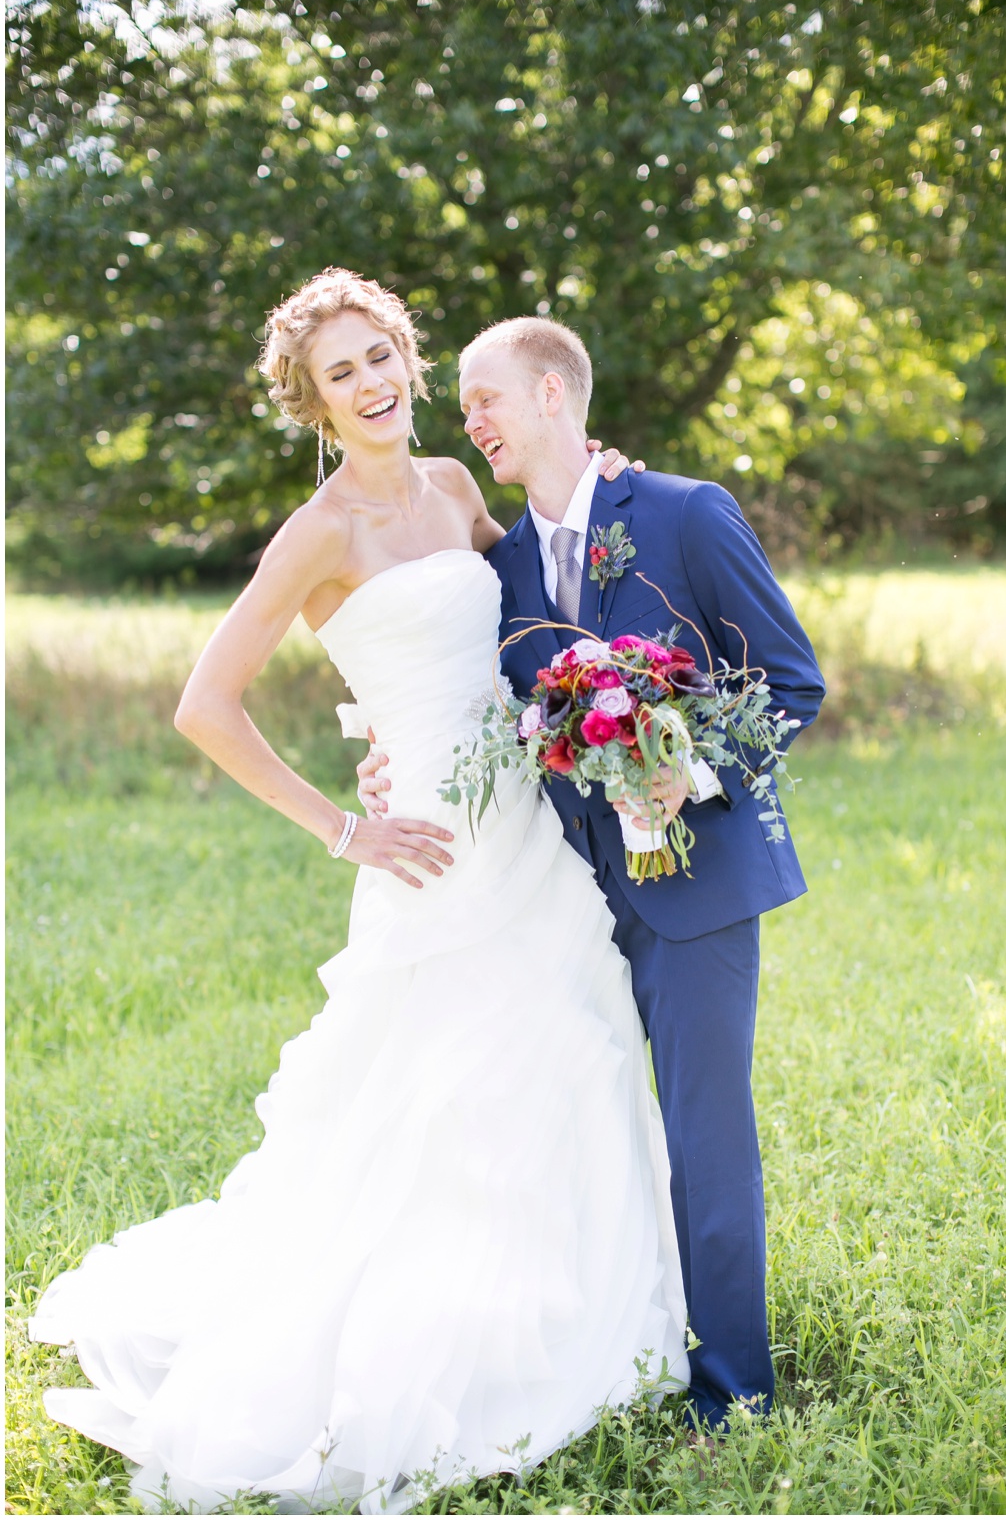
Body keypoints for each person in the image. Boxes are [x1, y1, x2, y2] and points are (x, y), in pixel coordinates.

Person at [28, 268, 686, 1514]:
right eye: (344, 372)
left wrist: (598, 480)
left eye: (382, 355)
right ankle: (433, 1351)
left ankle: (575, 1320)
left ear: (409, 361)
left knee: (569, 1056)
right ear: (314, 402)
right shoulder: (318, 533)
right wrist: (346, 825)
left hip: (524, 829)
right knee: (435, 1097)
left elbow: (537, 603)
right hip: (428, 851)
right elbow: (201, 704)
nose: (374, 382)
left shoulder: (450, 486)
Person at [357, 312, 825, 1429]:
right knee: (585, 1122)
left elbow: (790, 681)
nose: (468, 420)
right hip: (557, 894)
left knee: (704, 1129)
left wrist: (693, 775)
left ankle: (735, 1390)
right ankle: (611, 1347)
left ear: (555, 394)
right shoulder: (498, 565)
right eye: (464, 404)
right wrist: (382, 760)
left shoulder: (681, 514)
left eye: (486, 397)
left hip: (696, 889)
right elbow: (459, 700)